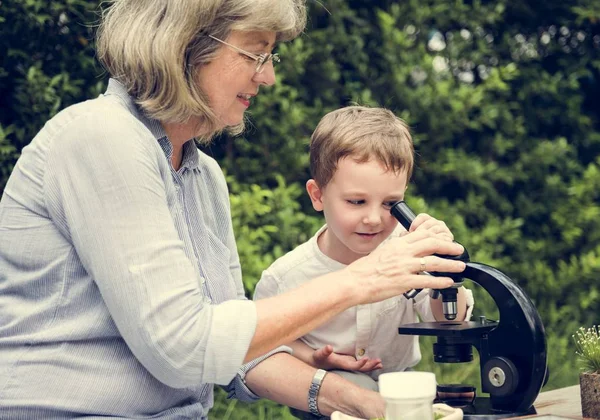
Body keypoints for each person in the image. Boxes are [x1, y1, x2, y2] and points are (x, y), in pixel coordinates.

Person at [0, 1, 467, 419]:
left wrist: (358, 401)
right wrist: (362, 280)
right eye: (255, 53)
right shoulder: (101, 137)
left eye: (270, 57)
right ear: (185, 45)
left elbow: (234, 354)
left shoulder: (203, 178)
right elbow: (183, 347)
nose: (268, 76)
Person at [254, 106, 475, 392]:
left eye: (389, 203)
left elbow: (450, 320)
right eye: (356, 202)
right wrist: (312, 357)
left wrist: (444, 269)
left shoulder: (409, 255)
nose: (373, 219)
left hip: (399, 382)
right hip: (327, 389)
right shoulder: (285, 277)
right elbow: (262, 340)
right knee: (354, 385)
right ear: (318, 195)